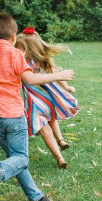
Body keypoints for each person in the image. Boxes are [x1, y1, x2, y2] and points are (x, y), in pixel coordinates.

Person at [0, 13, 74, 201]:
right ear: (13, 36)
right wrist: (59, 75)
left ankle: (36, 197)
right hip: (13, 117)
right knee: (20, 159)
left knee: (14, 159)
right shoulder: (15, 54)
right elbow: (30, 79)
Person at [14, 27, 80, 169]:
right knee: (44, 127)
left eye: (19, 49)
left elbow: (56, 73)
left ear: (30, 49)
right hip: (34, 100)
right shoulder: (20, 63)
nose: (16, 51)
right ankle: (60, 158)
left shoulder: (41, 61)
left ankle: (60, 141)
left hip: (44, 96)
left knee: (50, 120)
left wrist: (67, 87)